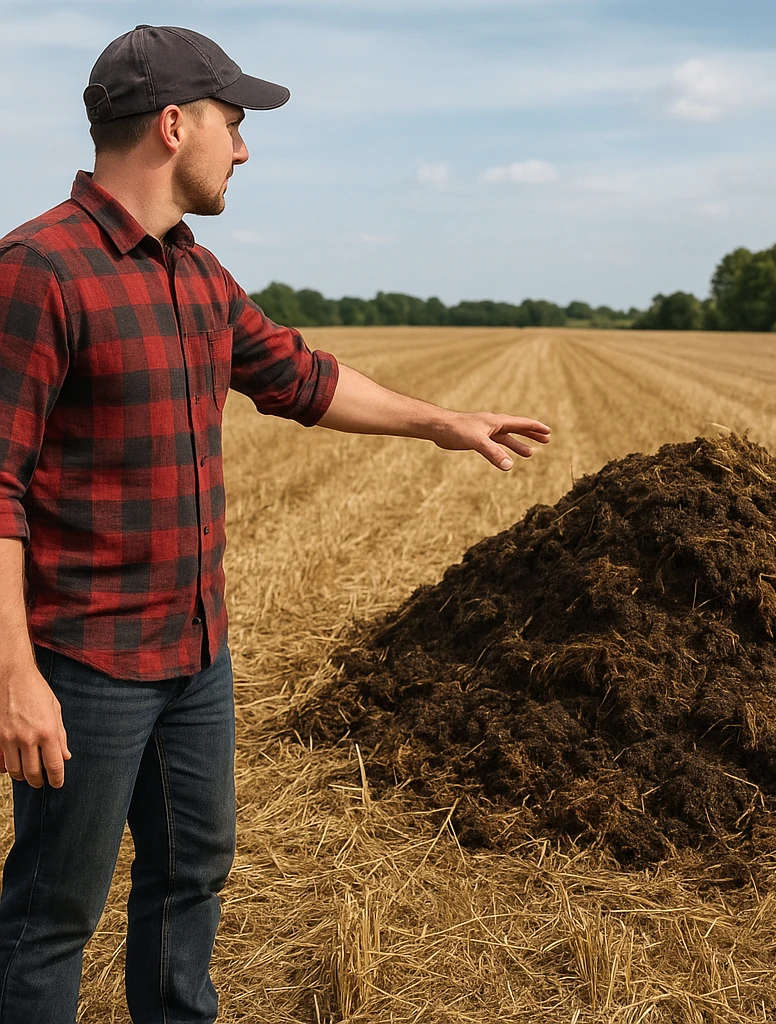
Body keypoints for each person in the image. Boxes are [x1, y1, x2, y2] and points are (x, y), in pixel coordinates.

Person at [0, 24, 550, 1024]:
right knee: (52, 913)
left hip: (195, 653)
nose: (245, 149)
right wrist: (13, 674)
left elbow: (301, 376)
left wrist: (442, 422)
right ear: (174, 125)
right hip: (85, 665)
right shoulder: (38, 269)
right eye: (234, 123)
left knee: (193, 876)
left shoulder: (197, 274)